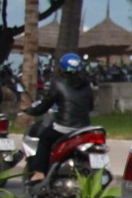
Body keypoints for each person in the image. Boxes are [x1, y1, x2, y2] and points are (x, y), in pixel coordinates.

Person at [24, 52, 95, 189]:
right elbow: (90, 106)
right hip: (83, 128)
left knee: (44, 138)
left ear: (62, 69)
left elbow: (45, 105)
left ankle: (39, 173)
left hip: (64, 127)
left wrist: (32, 111)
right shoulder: (87, 86)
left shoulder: (58, 84)